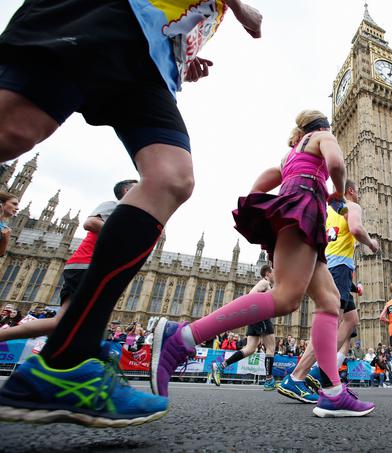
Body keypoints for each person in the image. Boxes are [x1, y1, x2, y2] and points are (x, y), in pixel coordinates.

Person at [0, 0, 263, 427]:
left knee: (172, 177)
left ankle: (66, 362)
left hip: (151, 57)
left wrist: (182, 51)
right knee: (11, 132)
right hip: (108, 13)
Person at [150, 110, 374, 418]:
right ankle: (183, 338)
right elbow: (336, 164)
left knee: (329, 301)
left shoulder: (290, 155)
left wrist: (274, 212)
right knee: (285, 298)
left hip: (296, 210)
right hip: (305, 208)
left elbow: (261, 184)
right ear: (323, 126)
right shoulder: (323, 137)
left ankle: (333, 393)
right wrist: (335, 191)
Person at [277, 179, 379, 403]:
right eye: (358, 191)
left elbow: (332, 242)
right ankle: (297, 376)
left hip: (327, 266)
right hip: (338, 268)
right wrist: (371, 243)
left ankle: (317, 371)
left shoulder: (328, 209)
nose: (359, 195)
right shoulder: (352, 206)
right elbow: (355, 229)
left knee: (351, 319)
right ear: (351, 191)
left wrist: (352, 286)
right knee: (330, 325)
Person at [0, 180, 136, 344]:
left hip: (90, 267)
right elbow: (90, 223)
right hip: (86, 265)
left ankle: (51, 355)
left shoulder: (126, 214)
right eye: (138, 186)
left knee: (66, 321)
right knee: (86, 320)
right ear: (127, 190)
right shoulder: (114, 205)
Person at [211, 264, 277, 390]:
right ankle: (269, 380)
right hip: (260, 316)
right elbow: (251, 295)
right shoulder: (264, 283)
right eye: (273, 272)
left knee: (250, 349)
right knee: (271, 347)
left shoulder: (265, 285)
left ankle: (220, 366)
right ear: (268, 273)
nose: (274, 275)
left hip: (254, 317)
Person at [0, 191, 19, 256]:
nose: (17, 208)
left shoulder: (4, 227)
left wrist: (5, 240)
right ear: (1, 203)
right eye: (14, 204)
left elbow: (1, 254)